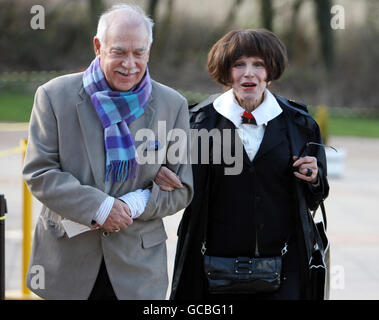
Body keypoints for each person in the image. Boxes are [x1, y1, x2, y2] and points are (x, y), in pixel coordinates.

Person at [22, 4, 193, 300]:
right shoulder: (53, 95)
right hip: (67, 267)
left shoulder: (173, 105)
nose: (130, 63)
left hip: (137, 273)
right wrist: (100, 208)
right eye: (119, 52)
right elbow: (39, 172)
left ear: (149, 51)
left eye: (139, 52)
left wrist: (136, 202)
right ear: (98, 47)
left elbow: (182, 188)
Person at [168, 29, 329, 300]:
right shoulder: (197, 122)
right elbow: (178, 187)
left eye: (258, 64)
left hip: (285, 266)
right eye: (238, 64)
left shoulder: (300, 125)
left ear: (271, 70)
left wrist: (314, 178)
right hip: (211, 268)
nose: (249, 73)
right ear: (225, 70)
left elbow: (317, 195)